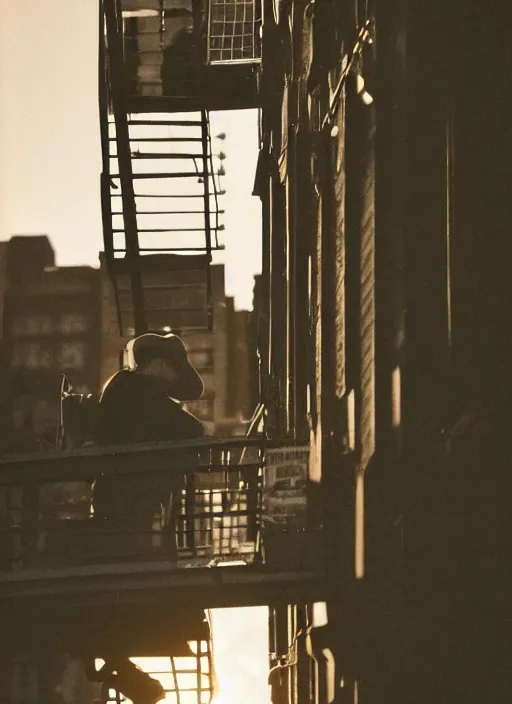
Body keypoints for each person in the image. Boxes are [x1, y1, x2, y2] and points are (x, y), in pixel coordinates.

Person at [92, 333, 206, 548]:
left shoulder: (125, 386)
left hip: (121, 494)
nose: (174, 377)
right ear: (160, 365)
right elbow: (192, 428)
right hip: (128, 499)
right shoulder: (137, 391)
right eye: (174, 369)